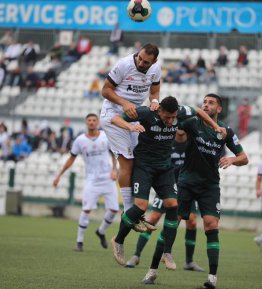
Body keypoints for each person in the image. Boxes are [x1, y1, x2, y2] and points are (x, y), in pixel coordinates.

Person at [143, 94, 248, 289]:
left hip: (210, 186)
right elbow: (173, 119)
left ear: (219, 109)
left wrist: (232, 160)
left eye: (211, 103)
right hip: (186, 183)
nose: (206, 105)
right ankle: (152, 270)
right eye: (204, 102)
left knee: (211, 225)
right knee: (171, 225)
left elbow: (244, 157)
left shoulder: (226, 131)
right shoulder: (192, 123)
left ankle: (212, 279)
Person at [109, 96, 225, 269]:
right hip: (144, 166)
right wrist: (130, 126)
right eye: (167, 117)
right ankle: (118, 240)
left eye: (173, 117)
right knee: (141, 206)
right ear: (159, 110)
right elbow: (114, 118)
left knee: (173, 205)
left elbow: (199, 112)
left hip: (165, 168)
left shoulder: (181, 112)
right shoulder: (147, 113)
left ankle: (167, 252)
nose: (171, 121)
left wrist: (216, 126)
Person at [126, 130, 205, 272]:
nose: (181, 127)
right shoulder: (167, 143)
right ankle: (136, 255)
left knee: (192, 221)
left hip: (186, 188)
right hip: (167, 187)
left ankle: (189, 261)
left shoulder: (193, 144)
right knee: (154, 218)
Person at [100, 43, 161, 216]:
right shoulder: (124, 64)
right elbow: (105, 90)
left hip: (135, 117)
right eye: (139, 58)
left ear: (154, 61)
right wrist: (125, 103)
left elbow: (155, 91)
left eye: (145, 62)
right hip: (113, 114)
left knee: (140, 160)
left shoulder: (156, 67)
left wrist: (155, 102)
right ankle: (128, 211)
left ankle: (137, 207)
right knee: (127, 161)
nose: (141, 63)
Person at [53, 114, 119, 251]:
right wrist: (59, 175)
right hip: (92, 180)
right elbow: (71, 159)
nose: (92, 122)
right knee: (86, 210)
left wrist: (114, 170)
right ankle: (79, 242)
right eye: (89, 120)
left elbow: (114, 154)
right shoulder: (80, 140)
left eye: (94, 120)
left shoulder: (105, 137)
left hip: (107, 178)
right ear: (86, 123)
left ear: (98, 122)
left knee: (114, 210)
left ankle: (101, 231)